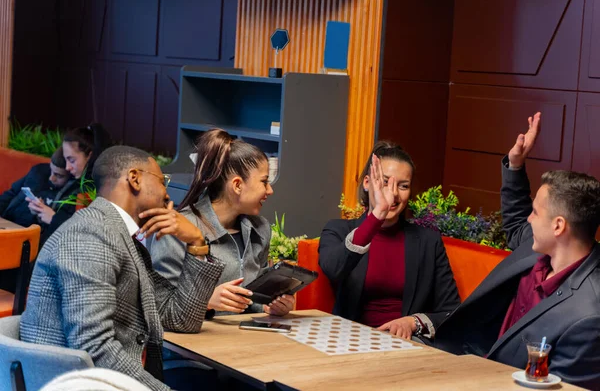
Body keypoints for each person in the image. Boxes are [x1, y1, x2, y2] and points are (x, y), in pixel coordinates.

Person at [20, 146, 225, 391]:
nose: (167, 195)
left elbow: (181, 318)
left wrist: (197, 243)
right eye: (162, 181)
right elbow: (93, 348)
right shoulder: (91, 234)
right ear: (135, 178)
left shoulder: (119, 237)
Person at [434, 113, 600, 389]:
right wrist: (515, 165)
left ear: (558, 226)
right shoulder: (538, 249)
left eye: (535, 212)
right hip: (458, 358)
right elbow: (514, 223)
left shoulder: (589, 316)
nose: (529, 219)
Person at [318, 141, 461, 341]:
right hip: (350, 341)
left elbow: (451, 311)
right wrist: (376, 216)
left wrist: (412, 322)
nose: (393, 193)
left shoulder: (428, 242)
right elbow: (333, 268)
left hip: (407, 344)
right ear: (367, 183)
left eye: (403, 186)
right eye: (385, 182)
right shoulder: (338, 230)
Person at [148, 128, 294, 316]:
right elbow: (161, 307)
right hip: (192, 342)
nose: (270, 191)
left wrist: (270, 305)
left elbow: (255, 298)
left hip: (245, 340)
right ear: (237, 185)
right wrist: (206, 301)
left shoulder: (260, 229)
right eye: (264, 182)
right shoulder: (179, 229)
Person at [26, 123, 113, 244]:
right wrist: (41, 212)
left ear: (90, 156)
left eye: (71, 160)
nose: (67, 167)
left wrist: (52, 218)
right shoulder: (75, 181)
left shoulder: (97, 189)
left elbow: (85, 236)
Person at [0, 147, 70, 229]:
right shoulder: (39, 171)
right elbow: (11, 193)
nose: (51, 178)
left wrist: (39, 214)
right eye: (51, 170)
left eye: (59, 175)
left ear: (71, 176)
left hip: (25, 232)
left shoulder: (68, 195)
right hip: (5, 221)